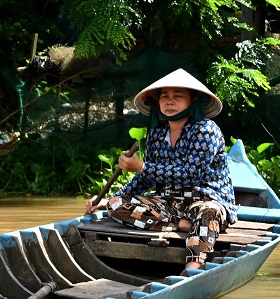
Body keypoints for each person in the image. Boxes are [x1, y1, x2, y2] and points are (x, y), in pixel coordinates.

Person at [86, 68, 237, 271]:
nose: (169, 101)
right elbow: (145, 180)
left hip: (205, 200)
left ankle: (193, 265)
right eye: (164, 96)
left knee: (208, 214)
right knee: (116, 205)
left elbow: (191, 175)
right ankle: (181, 224)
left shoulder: (206, 130)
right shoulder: (157, 134)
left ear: (193, 101)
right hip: (169, 204)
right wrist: (109, 199)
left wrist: (142, 166)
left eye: (178, 96)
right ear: (158, 102)